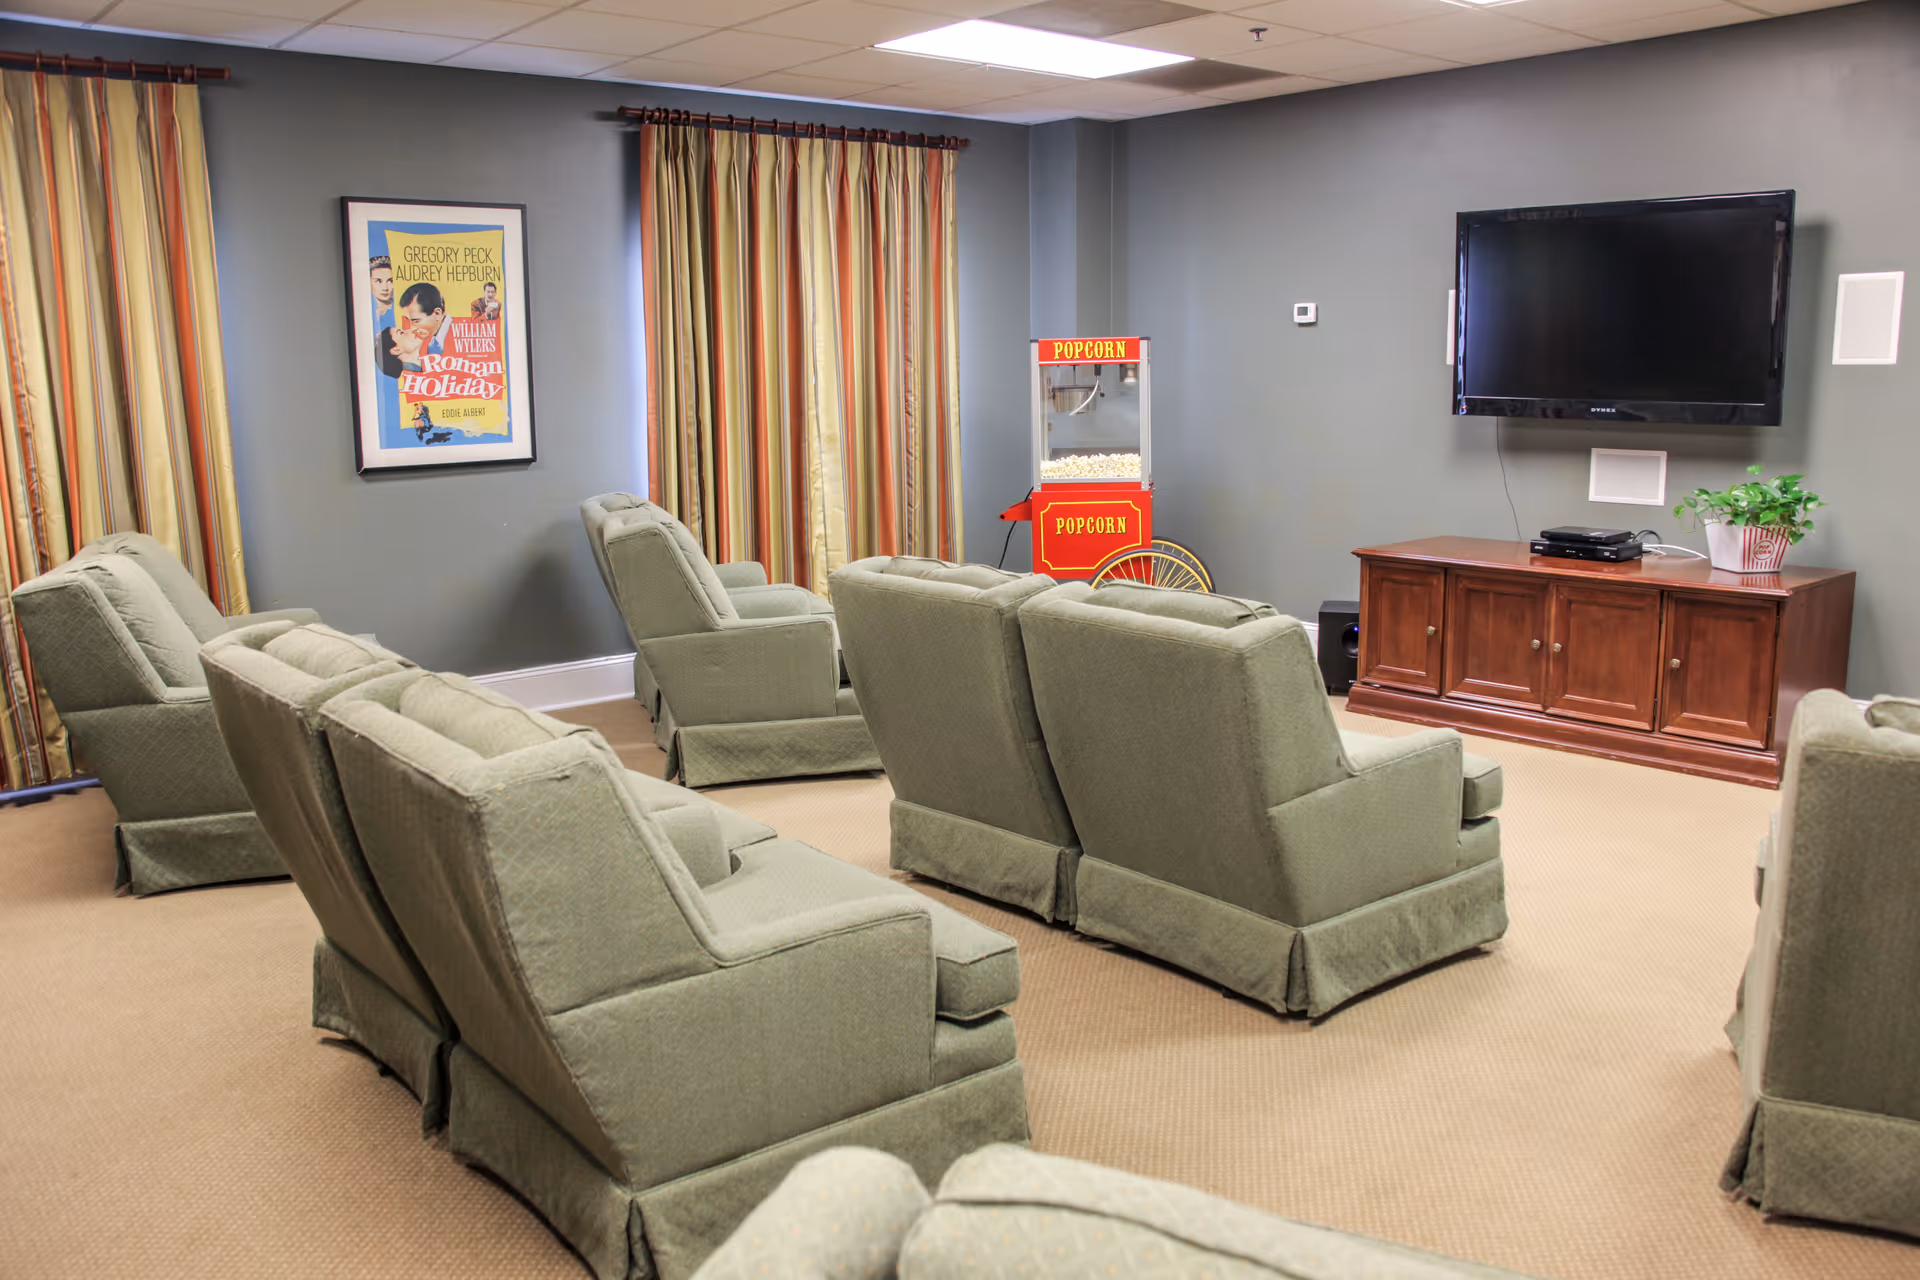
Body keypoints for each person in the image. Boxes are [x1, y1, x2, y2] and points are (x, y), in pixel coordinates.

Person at [377, 281, 449, 378]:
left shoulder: (438, 345)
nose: (412, 329)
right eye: (402, 333)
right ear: (396, 350)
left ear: (437, 313)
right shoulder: (433, 349)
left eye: (416, 320)